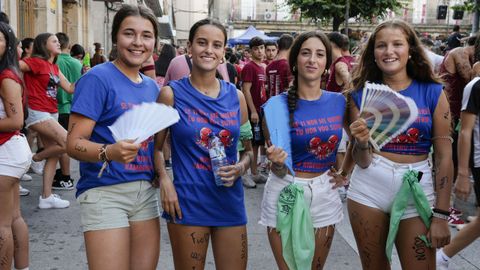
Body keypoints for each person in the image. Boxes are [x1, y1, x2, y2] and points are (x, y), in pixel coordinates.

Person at [347, 19, 452, 269]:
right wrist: (361, 144)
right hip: (368, 189)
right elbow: (362, 161)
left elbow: (443, 157)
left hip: (416, 185)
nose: (389, 51)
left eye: (397, 44)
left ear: (410, 50)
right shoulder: (359, 95)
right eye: (381, 45)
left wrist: (441, 215)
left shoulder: (433, 92)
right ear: (373, 53)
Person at [66, 4, 160, 270]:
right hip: (105, 193)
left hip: (145, 195)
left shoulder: (153, 87)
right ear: (116, 37)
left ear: (155, 41)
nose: (138, 42)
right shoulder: (97, 79)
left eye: (146, 35)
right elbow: (73, 144)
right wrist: (110, 152)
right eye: (129, 33)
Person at [155, 18, 253, 270]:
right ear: (189, 47)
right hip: (187, 201)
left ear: (223, 52)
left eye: (216, 45)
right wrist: (165, 181)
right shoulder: (171, 94)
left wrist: (240, 168)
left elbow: (249, 152)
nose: (209, 50)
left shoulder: (237, 97)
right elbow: (155, 148)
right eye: (202, 42)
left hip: (229, 200)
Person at [260, 30, 348, 269]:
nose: (312, 60)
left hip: (325, 194)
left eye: (320, 55)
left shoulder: (339, 102)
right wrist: (277, 163)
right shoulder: (274, 107)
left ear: (327, 64)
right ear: (295, 61)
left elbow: (360, 146)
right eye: (306, 53)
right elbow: (278, 170)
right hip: (284, 191)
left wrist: (344, 172)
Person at [19, 33, 74, 209]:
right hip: (37, 111)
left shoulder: (54, 68)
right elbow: (12, 68)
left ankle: (46, 196)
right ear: (44, 45)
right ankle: (35, 158)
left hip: (52, 112)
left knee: (54, 153)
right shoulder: (34, 62)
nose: (59, 43)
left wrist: (88, 76)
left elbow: (70, 88)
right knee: (68, 141)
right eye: (54, 41)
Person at [436, 62, 480, 270]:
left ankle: (442, 256)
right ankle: (443, 256)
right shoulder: (476, 86)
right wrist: (463, 172)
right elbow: (465, 131)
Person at [0, 22, 31, 270]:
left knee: (1, 224)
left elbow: (16, 120)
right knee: (14, 217)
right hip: (11, 151)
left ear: (8, 44)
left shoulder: (6, 78)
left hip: (7, 153)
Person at [54, 32, 82, 191]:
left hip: (57, 107)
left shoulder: (54, 62)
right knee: (64, 142)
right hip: (73, 108)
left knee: (62, 144)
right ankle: (62, 174)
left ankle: (65, 177)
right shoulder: (77, 64)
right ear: (69, 45)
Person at [242, 36, 268, 185]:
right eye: (256, 48)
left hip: (262, 109)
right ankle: (248, 174)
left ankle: (254, 172)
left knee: (257, 143)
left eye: (261, 48)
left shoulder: (262, 67)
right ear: (251, 51)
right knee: (250, 143)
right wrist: (252, 111)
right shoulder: (249, 67)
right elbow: (246, 90)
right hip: (253, 111)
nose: (260, 51)